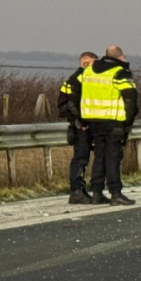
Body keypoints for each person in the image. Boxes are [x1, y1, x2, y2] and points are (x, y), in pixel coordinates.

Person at [68, 45, 140, 205]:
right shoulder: (120, 72)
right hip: (113, 122)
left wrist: (82, 118)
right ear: (121, 57)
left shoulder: (88, 71)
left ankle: (97, 192)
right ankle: (115, 193)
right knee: (113, 158)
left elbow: (73, 93)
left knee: (99, 157)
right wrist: (127, 122)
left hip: (92, 123)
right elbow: (131, 100)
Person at [58, 51, 99, 204]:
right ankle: (76, 191)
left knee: (83, 158)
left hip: (84, 124)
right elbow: (72, 104)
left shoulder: (74, 79)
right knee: (80, 158)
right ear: (85, 62)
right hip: (81, 126)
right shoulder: (79, 79)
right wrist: (82, 121)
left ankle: (80, 190)